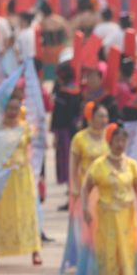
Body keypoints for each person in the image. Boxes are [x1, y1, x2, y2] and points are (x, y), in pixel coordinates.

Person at [75, 124, 137, 275]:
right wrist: (85, 208)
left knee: (127, 251)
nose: (120, 144)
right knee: (106, 252)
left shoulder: (132, 164)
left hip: (127, 215)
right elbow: (86, 188)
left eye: (123, 140)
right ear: (110, 141)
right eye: (117, 140)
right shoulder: (99, 165)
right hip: (106, 215)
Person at [0, 96, 42, 266]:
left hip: (22, 175)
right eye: (9, 108)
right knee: (0, 212)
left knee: (28, 211)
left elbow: (36, 147)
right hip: (3, 175)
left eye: (15, 109)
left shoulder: (26, 128)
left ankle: (35, 250)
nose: (12, 112)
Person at [61, 103, 110, 272]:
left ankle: (102, 256)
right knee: (84, 226)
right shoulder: (80, 138)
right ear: (90, 117)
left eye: (106, 116)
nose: (104, 120)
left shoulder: (109, 137)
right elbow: (73, 165)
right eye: (100, 116)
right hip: (86, 189)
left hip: (106, 189)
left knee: (103, 225)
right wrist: (74, 187)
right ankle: (85, 259)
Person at [51, 63, 82, 200]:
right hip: (74, 130)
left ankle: (71, 195)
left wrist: (54, 133)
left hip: (64, 133)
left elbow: (57, 115)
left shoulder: (62, 93)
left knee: (67, 163)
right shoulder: (77, 91)